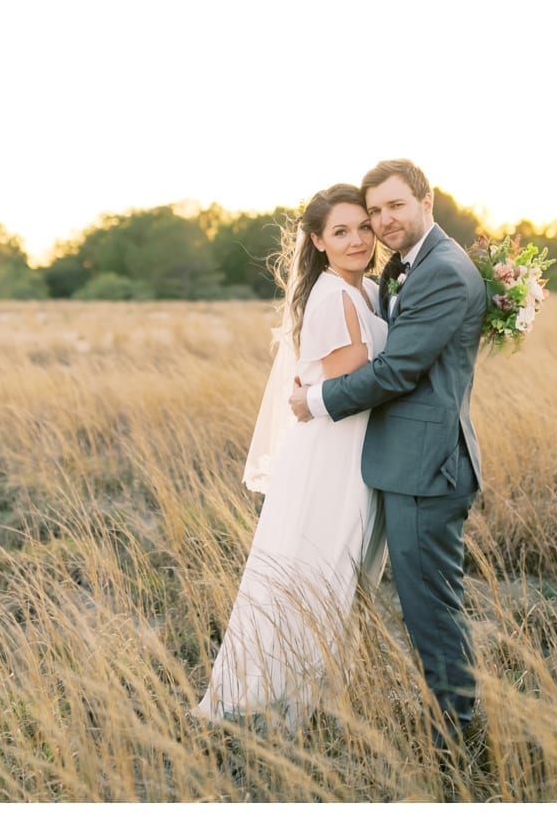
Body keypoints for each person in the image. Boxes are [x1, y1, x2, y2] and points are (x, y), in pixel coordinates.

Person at [289, 159, 486, 754]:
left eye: (394, 206)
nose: (383, 221)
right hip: (410, 459)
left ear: (427, 200)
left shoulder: (443, 270)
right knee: (427, 604)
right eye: (375, 211)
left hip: (427, 466)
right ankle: (454, 726)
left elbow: (399, 369)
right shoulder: (412, 265)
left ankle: (456, 740)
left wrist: (317, 399)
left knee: (431, 610)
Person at [195, 184, 389, 730]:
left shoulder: (365, 290)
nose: (356, 241)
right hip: (331, 448)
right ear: (318, 241)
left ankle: (307, 692)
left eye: (363, 228)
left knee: (332, 563)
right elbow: (352, 368)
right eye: (341, 232)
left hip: (348, 441)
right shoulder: (335, 295)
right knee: (315, 562)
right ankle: (273, 692)